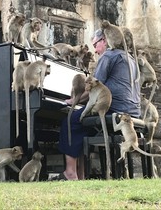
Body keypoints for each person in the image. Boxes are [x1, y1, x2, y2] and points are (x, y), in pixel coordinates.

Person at [53, 29, 141, 181]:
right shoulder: (130, 59)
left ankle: (70, 172)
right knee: (82, 124)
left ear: (104, 41)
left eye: (95, 44)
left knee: (70, 121)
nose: (94, 50)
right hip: (132, 111)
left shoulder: (109, 55)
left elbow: (94, 87)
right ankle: (81, 174)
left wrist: (74, 100)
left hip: (115, 109)